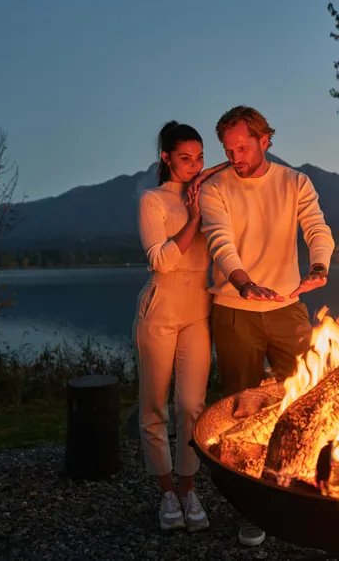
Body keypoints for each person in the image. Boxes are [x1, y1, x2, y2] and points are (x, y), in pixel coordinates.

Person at [198, 105, 335, 546]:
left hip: (287, 308)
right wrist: (243, 281)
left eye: (242, 146)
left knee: (306, 398)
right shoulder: (215, 187)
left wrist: (318, 265)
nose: (235, 156)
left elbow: (317, 227)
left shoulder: (294, 182)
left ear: (265, 140)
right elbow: (219, 239)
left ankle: (312, 492)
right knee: (240, 409)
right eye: (228, 148)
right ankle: (252, 507)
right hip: (235, 309)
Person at [133, 120, 228, 533]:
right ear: (166, 158)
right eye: (185, 158)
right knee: (154, 406)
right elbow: (162, 261)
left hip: (197, 312)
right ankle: (167, 491)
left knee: (191, 406)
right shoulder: (153, 201)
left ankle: (189, 489)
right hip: (159, 310)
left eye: (200, 158)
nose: (194, 165)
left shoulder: (209, 196)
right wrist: (192, 218)